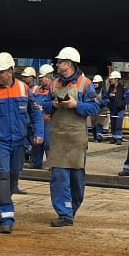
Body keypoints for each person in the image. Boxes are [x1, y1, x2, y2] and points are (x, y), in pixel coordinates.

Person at [0, 52, 42, 234]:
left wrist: (39, 133)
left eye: (1, 72)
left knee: (13, 178)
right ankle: (7, 215)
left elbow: (35, 112)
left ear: (11, 71)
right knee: (2, 176)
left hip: (18, 142)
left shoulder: (23, 89)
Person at [43, 47, 97, 226]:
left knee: (76, 178)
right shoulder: (54, 83)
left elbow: (94, 108)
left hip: (76, 138)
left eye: (59, 62)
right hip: (58, 137)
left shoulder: (85, 83)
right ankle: (64, 214)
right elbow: (44, 105)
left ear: (68, 64)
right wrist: (53, 105)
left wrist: (76, 105)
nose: (57, 65)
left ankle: (71, 209)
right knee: (59, 176)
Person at [100, 69, 126, 144]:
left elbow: (125, 98)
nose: (111, 80)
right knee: (113, 123)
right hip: (112, 108)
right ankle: (114, 137)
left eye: (112, 79)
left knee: (118, 123)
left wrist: (122, 103)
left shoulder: (122, 88)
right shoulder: (110, 88)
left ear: (116, 79)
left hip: (120, 108)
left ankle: (119, 138)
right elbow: (106, 96)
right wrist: (109, 96)